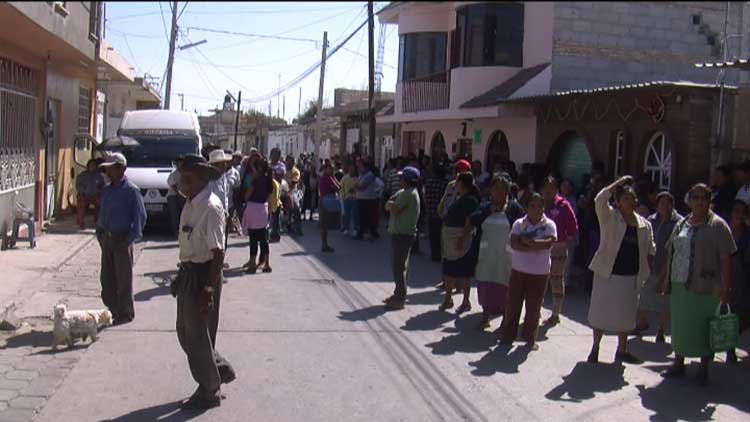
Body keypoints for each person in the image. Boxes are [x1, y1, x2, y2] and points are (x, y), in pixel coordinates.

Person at [171, 154, 235, 410]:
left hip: (204, 274)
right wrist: (179, 276)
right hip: (189, 272)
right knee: (185, 332)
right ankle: (219, 369)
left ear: (200, 178)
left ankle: (209, 390)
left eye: (186, 178)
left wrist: (209, 287)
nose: (182, 183)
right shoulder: (190, 203)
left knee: (198, 334)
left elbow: (218, 253)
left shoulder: (210, 207)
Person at [660, 184, 736, 385]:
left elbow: (725, 258)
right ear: (690, 200)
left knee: (703, 326)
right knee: (680, 325)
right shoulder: (682, 223)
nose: (699, 202)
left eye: (704, 198)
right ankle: (679, 362)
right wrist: (664, 279)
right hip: (680, 285)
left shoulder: (718, 225)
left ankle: (703, 367)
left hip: (706, 286)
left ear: (710, 201)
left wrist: (726, 287)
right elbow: (671, 251)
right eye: (696, 197)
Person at [587, 176, 655, 364]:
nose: (630, 202)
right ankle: (595, 348)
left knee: (626, 315)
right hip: (607, 273)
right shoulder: (609, 218)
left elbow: (651, 249)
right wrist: (618, 183)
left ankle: (622, 350)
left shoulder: (644, 224)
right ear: (617, 202)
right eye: (625, 198)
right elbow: (600, 199)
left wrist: (645, 269)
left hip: (630, 276)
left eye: (632, 198)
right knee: (601, 312)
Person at [501, 193, 557, 349]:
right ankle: (508, 335)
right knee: (513, 304)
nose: (536, 210)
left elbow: (548, 244)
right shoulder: (519, 224)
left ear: (543, 208)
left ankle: (530, 338)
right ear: (527, 207)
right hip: (519, 270)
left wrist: (527, 241)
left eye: (539, 206)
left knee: (533, 308)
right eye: (533, 206)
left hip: (539, 273)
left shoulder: (549, 225)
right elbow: (514, 243)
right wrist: (533, 245)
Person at [96, 153, 146, 326]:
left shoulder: (131, 190)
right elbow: (102, 214)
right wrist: (100, 234)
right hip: (107, 239)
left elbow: (140, 216)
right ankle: (112, 309)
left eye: (111, 168)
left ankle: (125, 312)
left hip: (122, 239)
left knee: (123, 279)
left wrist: (131, 238)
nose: (108, 171)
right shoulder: (107, 190)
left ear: (121, 168)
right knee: (106, 279)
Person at [470, 175, 524, 330]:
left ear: (507, 191)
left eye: (502, 189)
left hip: (506, 257)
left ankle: (504, 322)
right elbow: (473, 220)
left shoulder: (514, 208)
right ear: (490, 190)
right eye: (495, 188)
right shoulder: (485, 206)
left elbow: (522, 226)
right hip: (486, 256)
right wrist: (487, 211)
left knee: (505, 288)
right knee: (486, 286)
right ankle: (485, 317)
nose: (499, 192)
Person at [634, 192, 681, 342]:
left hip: (668, 266)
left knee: (665, 300)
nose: (665, 207)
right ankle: (642, 323)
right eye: (662, 203)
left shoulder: (678, 222)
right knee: (643, 296)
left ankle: (661, 330)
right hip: (650, 264)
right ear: (657, 205)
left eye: (668, 204)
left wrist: (666, 271)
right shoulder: (651, 220)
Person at [439, 172, 481, 313]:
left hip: (460, 237)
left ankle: (465, 301)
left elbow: (469, 222)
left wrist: (462, 238)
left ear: (462, 184)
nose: (455, 184)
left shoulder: (470, 200)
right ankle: (448, 298)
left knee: (464, 272)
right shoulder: (459, 197)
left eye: (457, 181)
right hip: (450, 237)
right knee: (449, 270)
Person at [541, 176, 579, 327]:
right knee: (540, 280)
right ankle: (536, 310)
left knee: (556, 280)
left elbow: (573, 227)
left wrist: (564, 241)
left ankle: (556, 313)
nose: (548, 191)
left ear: (556, 189)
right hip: (539, 247)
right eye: (546, 188)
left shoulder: (563, 205)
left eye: (551, 188)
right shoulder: (538, 204)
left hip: (558, 247)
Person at [383, 166, 421, 310]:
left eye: (401, 177)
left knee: (399, 267)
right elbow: (389, 204)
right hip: (399, 234)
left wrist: (392, 205)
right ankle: (397, 293)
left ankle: (400, 298)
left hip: (402, 235)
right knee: (397, 266)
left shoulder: (408, 194)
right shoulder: (404, 192)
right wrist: (392, 205)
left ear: (407, 180)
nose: (399, 179)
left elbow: (394, 208)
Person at [241, 158, 274, 274]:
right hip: (263, 209)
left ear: (259, 168)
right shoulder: (269, 180)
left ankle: (252, 263)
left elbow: (247, 196)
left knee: (253, 239)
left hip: (254, 209)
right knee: (264, 239)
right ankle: (267, 264)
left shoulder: (256, 180)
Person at [727, 200, 749, 364]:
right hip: (722, 276)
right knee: (722, 314)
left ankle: (730, 348)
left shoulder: (747, 234)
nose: (740, 215)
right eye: (736, 211)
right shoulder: (722, 230)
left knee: (740, 316)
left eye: (743, 212)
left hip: (742, 279)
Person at [424, 162, 449, 262]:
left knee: (433, 234)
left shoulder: (429, 183)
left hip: (431, 211)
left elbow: (425, 196)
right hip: (442, 213)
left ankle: (434, 254)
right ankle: (442, 254)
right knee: (441, 235)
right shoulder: (445, 184)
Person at [76, 158, 105, 230]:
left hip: (95, 195)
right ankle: (81, 222)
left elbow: (102, 185)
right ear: (88, 166)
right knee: (81, 205)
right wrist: (82, 191)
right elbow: (78, 185)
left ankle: (98, 222)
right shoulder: (82, 175)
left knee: (100, 205)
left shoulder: (99, 176)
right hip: (84, 195)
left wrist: (100, 191)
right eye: (91, 165)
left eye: (94, 165)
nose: (93, 167)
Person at [355, 160, 381, 240]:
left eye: (360, 167)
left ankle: (364, 233)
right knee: (364, 217)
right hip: (362, 198)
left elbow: (361, 187)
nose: (358, 168)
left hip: (367, 199)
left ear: (365, 167)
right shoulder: (361, 175)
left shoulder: (369, 175)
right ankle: (370, 232)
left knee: (365, 217)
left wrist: (356, 185)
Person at [318, 162, 341, 253]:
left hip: (325, 201)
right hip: (326, 202)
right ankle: (324, 245)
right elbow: (338, 187)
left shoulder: (328, 177)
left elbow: (338, 186)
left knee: (325, 226)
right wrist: (333, 178)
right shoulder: (327, 178)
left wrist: (334, 177)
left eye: (332, 169)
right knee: (324, 225)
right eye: (329, 168)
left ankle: (325, 244)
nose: (331, 170)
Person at [167, 156, 186, 237]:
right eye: (178, 163)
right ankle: (176, 232)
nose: (180, 164)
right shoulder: (173, 175)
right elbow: (175, 188)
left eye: (182, 162)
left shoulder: (186, 173)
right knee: (175, 214)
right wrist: (181, 196)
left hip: (184, 195)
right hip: (173, 195)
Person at [340, 162, 360, 237]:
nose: (352, 170)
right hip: (347, 198)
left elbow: (360, 187)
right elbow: (341, 188)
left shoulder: (357, 178)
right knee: (347, 214)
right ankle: (347, 229)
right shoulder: (344, 178)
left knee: (355, 214)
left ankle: (355, 229)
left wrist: (355, 191)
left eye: (353, 169)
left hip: (355, 198)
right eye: (350, 169)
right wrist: (344, 195)